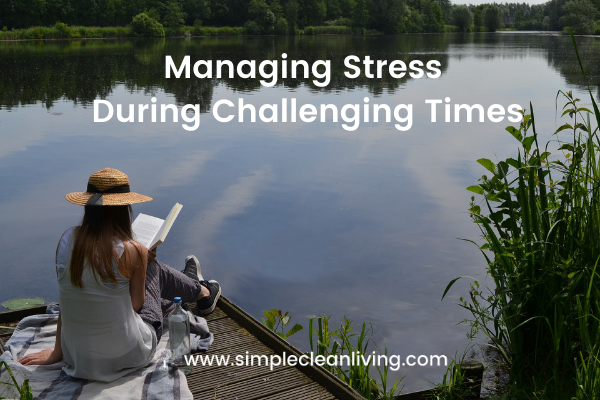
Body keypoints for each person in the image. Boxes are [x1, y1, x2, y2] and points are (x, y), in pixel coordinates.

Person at [18, 168, 221, 382]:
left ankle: (194, 286)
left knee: (148, 273)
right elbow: (136, 306)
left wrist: (57, 353)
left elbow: (67, 301)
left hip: (78, 356)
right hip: (129, 354)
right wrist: (143, 262)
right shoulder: (132, 250)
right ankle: (202, 291)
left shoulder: (66, 240)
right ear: (124, 208)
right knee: (154, 269)